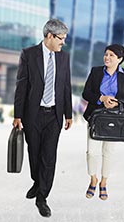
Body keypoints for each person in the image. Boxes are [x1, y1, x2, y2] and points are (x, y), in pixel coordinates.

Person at [13, 18, 73, 217]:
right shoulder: (29, 55)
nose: (63, 42)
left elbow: (66, 86)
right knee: (34, 153)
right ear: (49, 36)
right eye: (61, 38)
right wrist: (18, 115)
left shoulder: (64, 58)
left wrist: (68, 113)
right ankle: (37, 182)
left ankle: (42, 197)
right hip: (33, 115)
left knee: (49, 156)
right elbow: (21, 86)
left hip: (54, 115)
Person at [82, 44, 124, 201]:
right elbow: (86, 93)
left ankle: (103, 183)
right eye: (106, 54)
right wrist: (101, 98)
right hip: (96, 117)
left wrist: (118, 103)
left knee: (109, 152)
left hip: (116, 119)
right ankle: (93, 179)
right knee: (92, 152)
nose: (107, 57)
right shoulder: (96, 72)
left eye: (111, 55)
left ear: (120, 59)